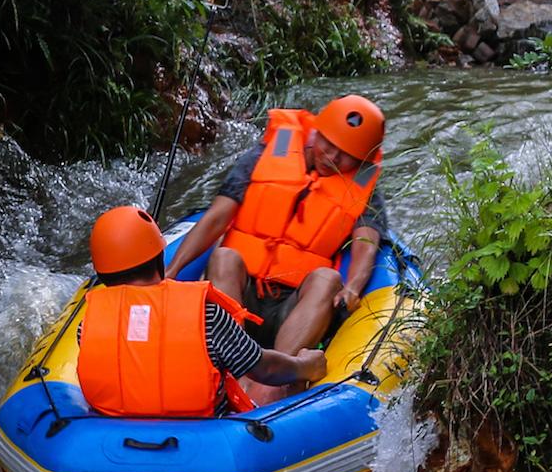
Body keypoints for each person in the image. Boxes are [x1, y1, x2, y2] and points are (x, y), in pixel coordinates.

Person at [163, 95, 387, 406]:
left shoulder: (364, 187)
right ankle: (229, 370)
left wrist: (352, 288)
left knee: (326, 278)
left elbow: (366, 245)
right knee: (224, 256)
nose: (332, 156)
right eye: (328, 143)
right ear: (316, 132)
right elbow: (217, 217)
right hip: (242, 297)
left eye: (346, 154)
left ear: (362, 160)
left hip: (293, 307)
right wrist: (172, 271)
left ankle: (270, 387)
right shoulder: (268, 153)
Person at [75, 206, 326, 419]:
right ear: (158, 260)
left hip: (113, 438)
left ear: (102, 275)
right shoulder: (207, 315)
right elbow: (264, 369)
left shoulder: (86, 325)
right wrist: (304, 366)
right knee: (290, 384)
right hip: (205, 439)